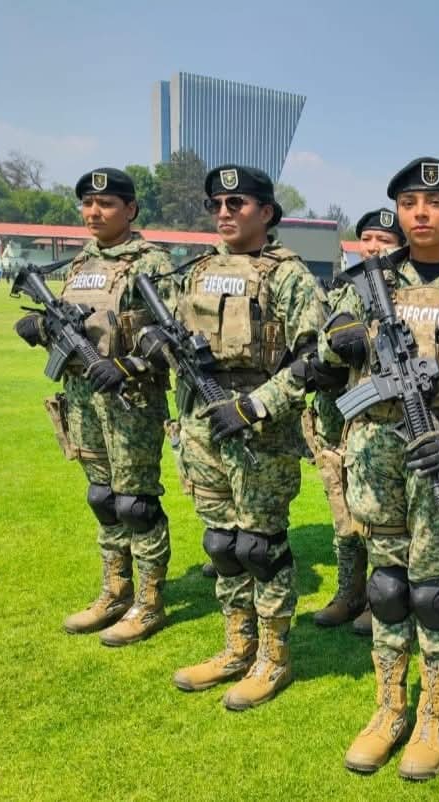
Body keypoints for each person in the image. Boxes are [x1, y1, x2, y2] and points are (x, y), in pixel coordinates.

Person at [321, 157, 439, 780]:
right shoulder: (368, 280)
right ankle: (389, 706)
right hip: (373, 452)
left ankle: (433, 711)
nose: (421, 213)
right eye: (408, 203)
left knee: (430, 592)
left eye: (435, 202)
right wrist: (344, 334)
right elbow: (326, 340)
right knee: (385, 585)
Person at [161, 165, 324, 710]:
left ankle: (273, 657)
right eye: (216, 205)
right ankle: (237, 647)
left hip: (260, 433)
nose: (224, 213)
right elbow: (173, 334)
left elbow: (314, 360)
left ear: (267, 212)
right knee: (222, 544)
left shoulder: (290, 276)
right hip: (202, 423)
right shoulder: (198, 270)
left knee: (260, 547)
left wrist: (255, 406)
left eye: (238, 204)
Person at [14, 168, 173, 645]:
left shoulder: (151, 262)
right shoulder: (81, 262)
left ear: (131, 209)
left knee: (135, 503)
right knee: (103, 498)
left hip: (130, 399)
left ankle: (148, 602)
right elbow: (68, 323)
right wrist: (40, 329)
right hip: (82, 397)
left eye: (106, 204)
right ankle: (115, 591)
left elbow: (172, 336)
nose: (94, 212)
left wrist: (128, 365)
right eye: (87, 203)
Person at [310, 209, 406, 635]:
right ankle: (349, 592)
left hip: (385, 422)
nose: (373, 247)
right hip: (340, 416)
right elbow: (321, 345)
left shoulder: (407, 291)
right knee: (342, 511)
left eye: (384, 240)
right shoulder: (347, 289)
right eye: (367, 238)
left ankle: (380, 597)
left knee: (383, 518)